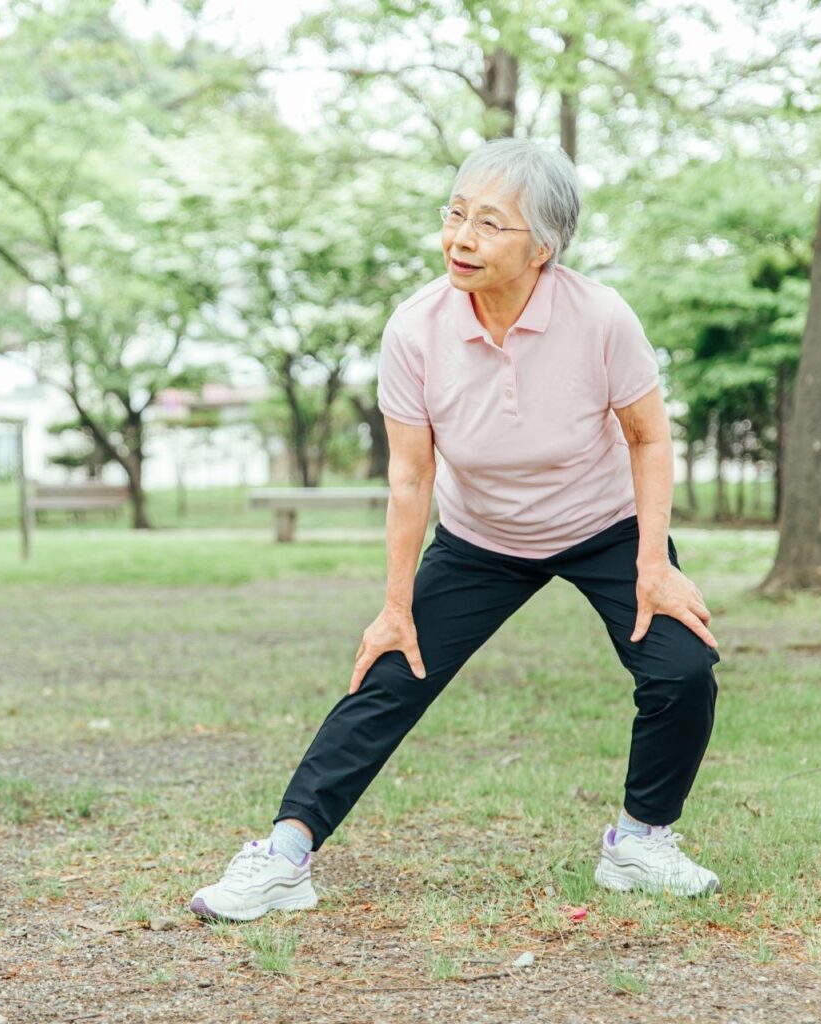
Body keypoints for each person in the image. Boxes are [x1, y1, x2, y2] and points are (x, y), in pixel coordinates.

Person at [190, 138, 721, 924]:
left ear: (542, 247)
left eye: (489, 224)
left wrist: (653, 564)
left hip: (602, 523)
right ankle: (284, 855)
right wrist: (394, 604)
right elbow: (410, 476)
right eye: (455, 214)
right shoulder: (415, 330)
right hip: (483, 537)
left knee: (681, 667)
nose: (461, 237)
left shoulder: (599, 317)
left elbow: (647, 436)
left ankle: (640, 843)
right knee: (388, 672)